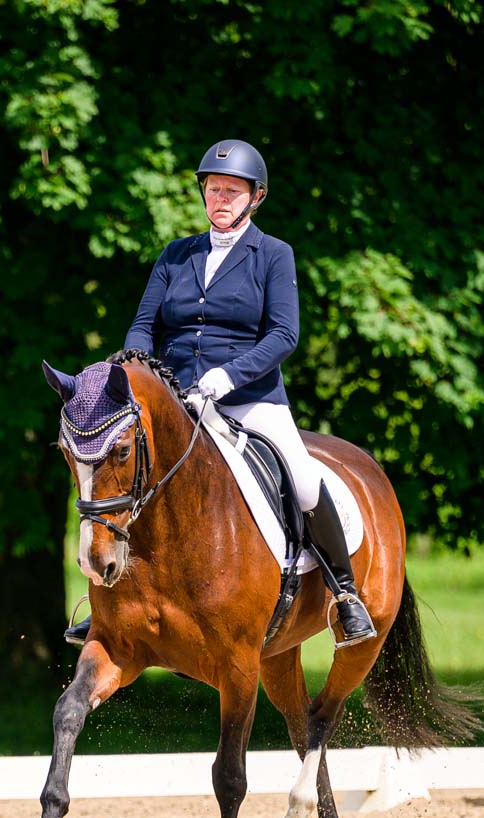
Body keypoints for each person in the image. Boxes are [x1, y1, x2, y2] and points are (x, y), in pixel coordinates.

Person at [65, 139, 375, 648]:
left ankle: (345, 594)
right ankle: (104, 600)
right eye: (213, 189)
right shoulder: (176, 255)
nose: (221, 199)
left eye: (233, 190)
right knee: (120, 470)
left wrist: (228, 376)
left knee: (302, 480)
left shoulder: (273, 255)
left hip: (250, 399)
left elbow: (283, 335)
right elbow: (144, 326)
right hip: (178, 401)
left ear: (256, 197)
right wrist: (146, 376)